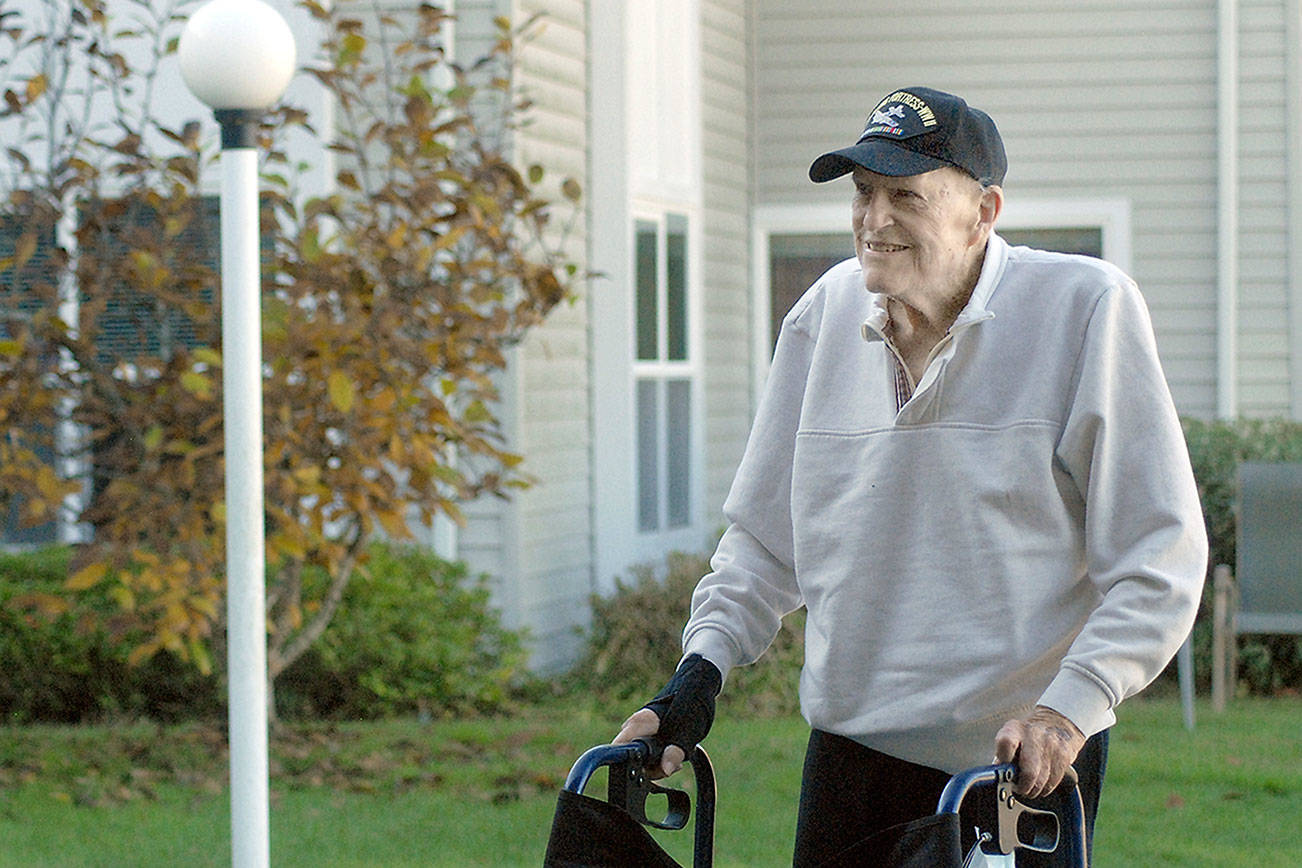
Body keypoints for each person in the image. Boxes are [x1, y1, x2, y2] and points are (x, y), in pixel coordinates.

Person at [613, 86, 1208, 865]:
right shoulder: (822, 317)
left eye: (905, 196)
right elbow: (763, 543)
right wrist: (697, 677)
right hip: (849, 758)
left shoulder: (1085, 311)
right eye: (864, 193)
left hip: (1015, 771)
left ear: (984, 211)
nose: (874, 219)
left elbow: (1162, 557)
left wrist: (1070, 710)